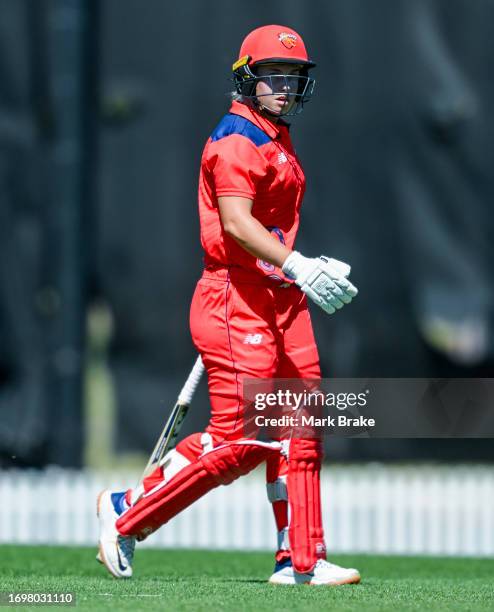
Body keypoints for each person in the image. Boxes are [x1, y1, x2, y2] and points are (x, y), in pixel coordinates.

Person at [97, 24, 360, 586]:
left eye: (293, 78)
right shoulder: (238, 138)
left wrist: (296, 266)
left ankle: (301, 561)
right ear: (248, 79)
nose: (286, 88)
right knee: (242, 441)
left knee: (299, 422)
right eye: (274, 77)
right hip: (234, 297)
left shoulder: (275, 132)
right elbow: (237, 225)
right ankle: (127, 511)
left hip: (276, 295)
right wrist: (296, 264)